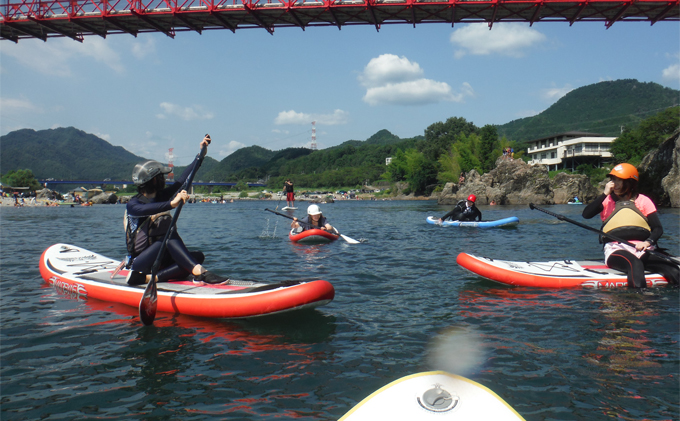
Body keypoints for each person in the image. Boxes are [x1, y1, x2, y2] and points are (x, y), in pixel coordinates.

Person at [125, 135, 229, 286]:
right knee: (167, 237)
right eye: (162, 177)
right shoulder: (133, 204)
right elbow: (146, 209)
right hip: (141, 262)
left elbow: (182, 180)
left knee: (197, 256)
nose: (164, 179)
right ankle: (201, 273)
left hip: (162, 258)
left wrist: (200, 155)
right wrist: (172, 204)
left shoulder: (161, 195)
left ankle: (149, 279)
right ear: (155, 180)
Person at [582, 163, 678, 289]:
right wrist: (604, 194)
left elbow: (657, 229)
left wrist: (647, 243)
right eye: (612, 180)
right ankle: (637, 304)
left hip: (642, 248)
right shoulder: (606, 200)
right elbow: (586, 214)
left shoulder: (643, 200)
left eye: (618, 180)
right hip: (616, 249)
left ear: (629, 183)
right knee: (635, 264)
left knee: (674, 270)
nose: (613, 184)